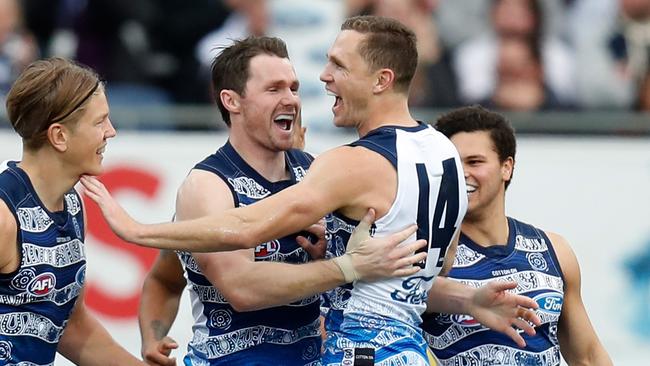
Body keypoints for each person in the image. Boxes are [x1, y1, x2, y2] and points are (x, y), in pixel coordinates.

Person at [81, 16, 541, 366]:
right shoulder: (443, 152)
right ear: (231, 101)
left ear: (381, 80)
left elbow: (245, 228)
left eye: (335, 67)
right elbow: (405, 277)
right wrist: (463, 297)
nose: (318, 82)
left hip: (357, 351)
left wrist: (138, 230)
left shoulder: (341, 166)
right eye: (275, 87)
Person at [138, 36, 427, 366]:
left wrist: (469, 299)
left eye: (294, 87)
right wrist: (153, 336)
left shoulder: (315, 172)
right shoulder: (208, 185)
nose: (291, 99)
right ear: (232, 101)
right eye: (274, 89)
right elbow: (212, 285)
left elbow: (383, 272)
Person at [421, 105, 613, 365]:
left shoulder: (554, 249)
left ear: (506, 167)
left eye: (475, 161)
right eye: (453, 163)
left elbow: (587, 356)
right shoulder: (429, 252)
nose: (462, 173)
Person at [0, 57, 144, 365]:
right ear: (59, 136)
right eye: (100, 122)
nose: (111, 131)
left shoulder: (72, 204)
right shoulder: (4, 214)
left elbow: (72, 327)